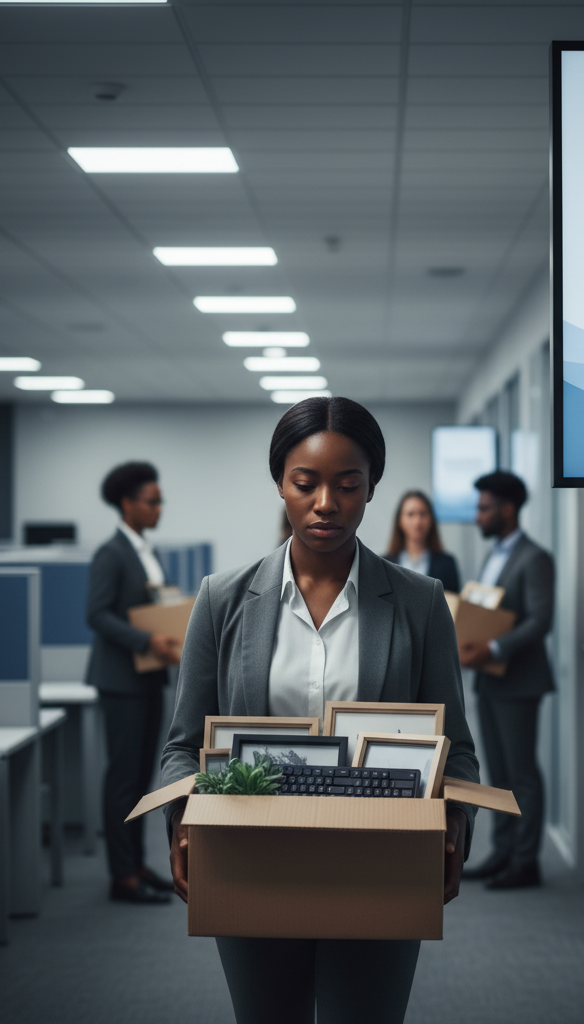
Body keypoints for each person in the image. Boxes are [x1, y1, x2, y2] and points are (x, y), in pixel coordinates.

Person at [160, 396, 479, 1024]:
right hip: (251, 860)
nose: (326, 503)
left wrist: (456, 825)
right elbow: (183, 743)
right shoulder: (222, 600)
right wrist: (182, 820)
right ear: (281, 483)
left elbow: (456, 746)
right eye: (305, 483)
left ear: (371, 488)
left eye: (348, 484)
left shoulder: (419, 602)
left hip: (381, 862)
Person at [86, 461, 181, 904]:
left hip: (147, 675)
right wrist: (147, 638)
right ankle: (121, 876)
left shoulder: (147, 550)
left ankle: (137, 864)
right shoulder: (112, 553)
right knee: (123, 778)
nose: (160, 508)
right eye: (152, 501)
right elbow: (97, 614)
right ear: (127, 504)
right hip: (120, 679)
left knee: (142, 776)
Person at [459, 470, 554, 890]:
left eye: (484, 508)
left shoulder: (534, 558)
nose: (477, 517)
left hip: (518, 681)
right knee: (496, 772)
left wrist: (493, 649)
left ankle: (525, 861)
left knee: (521, 773)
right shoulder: (495, 554)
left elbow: (539, 621)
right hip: (489, 679)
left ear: (508, 509)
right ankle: (502, 851)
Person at [383, 490, 460, 593]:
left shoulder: (447, 564)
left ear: (431, 519)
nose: (417, 521)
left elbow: (453, 605)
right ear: (400, 521)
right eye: (411, 514)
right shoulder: (384, 564)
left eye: (423, 514)